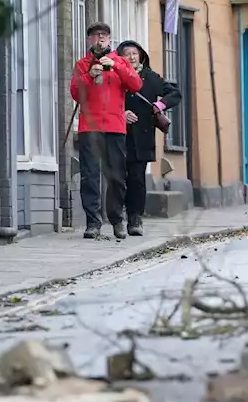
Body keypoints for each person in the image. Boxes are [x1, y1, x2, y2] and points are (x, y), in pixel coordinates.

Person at [70, 22, 143, 239]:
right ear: (89, 40)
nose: (99, 39)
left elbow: (136, 84)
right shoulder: (82, 64)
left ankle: (117, 220)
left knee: (117, 177)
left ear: (110, 39)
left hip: (115, 127)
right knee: (90, 176)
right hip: (89, 127)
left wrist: (117, 66)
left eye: (103, 36)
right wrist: (89, 75)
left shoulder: (119, 62)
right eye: (95, 36)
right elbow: (75, 92)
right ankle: (93, 222)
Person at [116, 40, 182, 237]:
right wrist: (122, 112)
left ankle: (135, 217)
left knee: (137, 180)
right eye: (127, 54)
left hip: (142, 136)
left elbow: (175, 93)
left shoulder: (151, 77)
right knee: (118, 179)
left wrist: (160, 105)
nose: (132, 57)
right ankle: (118, 216)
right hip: (119, 135)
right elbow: (105, 102)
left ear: (141, 55)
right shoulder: (115, 77)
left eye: (135, 53)